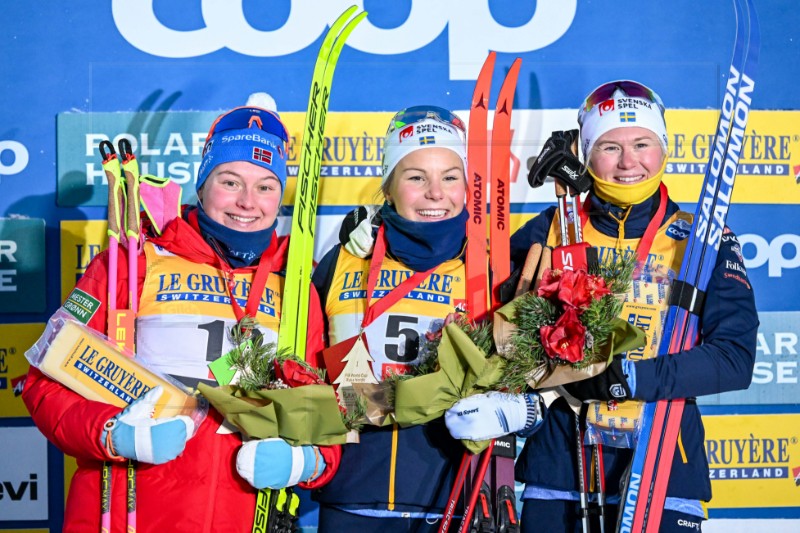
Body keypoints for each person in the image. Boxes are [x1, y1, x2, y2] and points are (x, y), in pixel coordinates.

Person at [444, 80, 758, 532]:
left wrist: (625, 378)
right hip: (560, 468)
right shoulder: (549, 230)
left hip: (664, 467)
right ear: (587, 154)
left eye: (642, 143)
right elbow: (481, 308)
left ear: (663, 147)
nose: (629, 162)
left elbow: (733, 361)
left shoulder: (704, 239)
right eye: (609, 147)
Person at [22, 105, 338, 532]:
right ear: (203, 184)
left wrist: (306, 460)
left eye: (265, 186)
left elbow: (325, 412)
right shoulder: (134, 264)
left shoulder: (296, 288)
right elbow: (44, 384)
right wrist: (112, 434)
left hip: (245, 515)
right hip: (133, 512)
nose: (247, 202)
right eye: (230, 182)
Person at [310, 105, 473, 532]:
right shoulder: (346, 258)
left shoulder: (490, 269)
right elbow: (306, 362)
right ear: (389, 187)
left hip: (451, 497)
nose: (436, 193)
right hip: (350, 494)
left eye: (450, 176)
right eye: (416, 177)